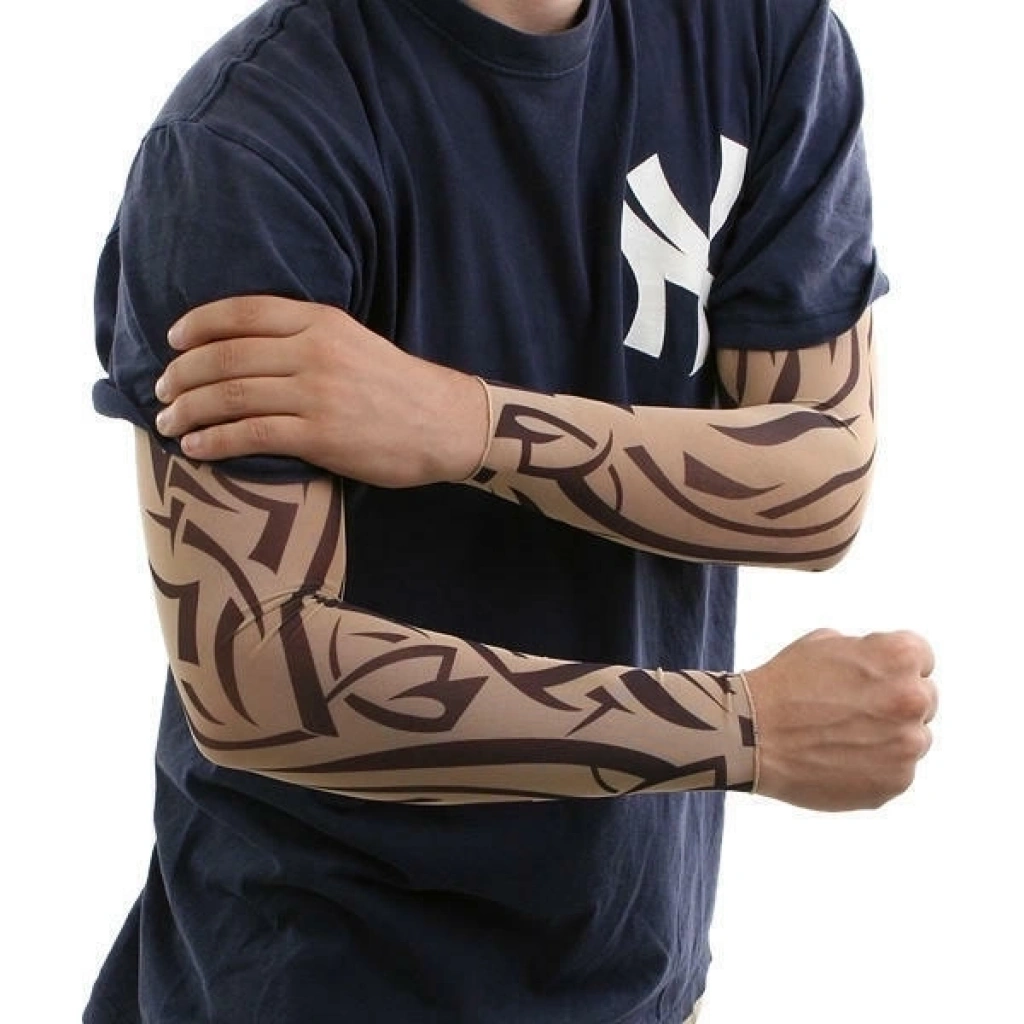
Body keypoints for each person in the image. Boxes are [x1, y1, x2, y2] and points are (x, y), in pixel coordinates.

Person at [87, 1, 938, 1021]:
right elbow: (254, 676)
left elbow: (821, 484)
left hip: (630, 969)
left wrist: (468, 422)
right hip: (322, 979)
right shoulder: (250, 141)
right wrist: (746, 728)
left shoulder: (759, 29)